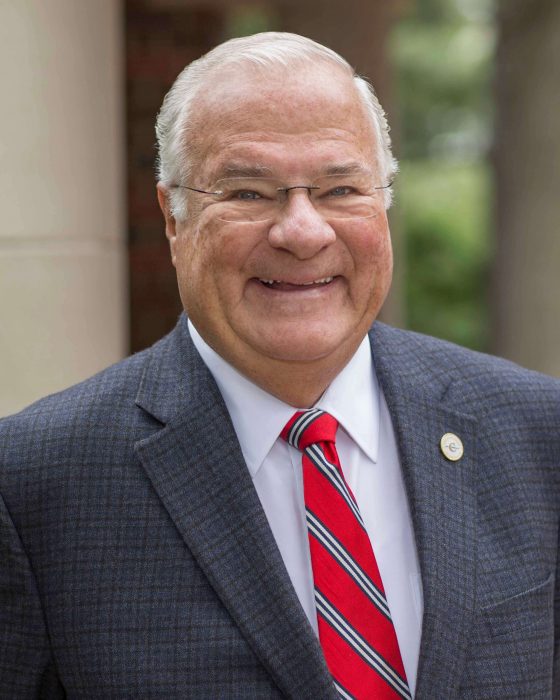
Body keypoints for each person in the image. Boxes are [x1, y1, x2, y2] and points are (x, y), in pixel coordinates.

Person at [0, 31, 558, 700]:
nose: (302, 231)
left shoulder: (538, 435)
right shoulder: (34, 486)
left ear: (382, 203)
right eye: (248, 193)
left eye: (340, 188)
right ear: (174, 220)